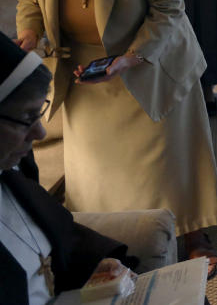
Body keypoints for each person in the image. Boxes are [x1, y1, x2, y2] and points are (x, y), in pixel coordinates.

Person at [1, 0, 217, 279]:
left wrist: (131, 57)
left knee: (171, 158)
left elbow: (169, 7)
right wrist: (30, 32)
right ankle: (109, 239)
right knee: (96, 171)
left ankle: (192, 232)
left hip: (150, 57)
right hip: (82, 71)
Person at [0, 34, 138, 304]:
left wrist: (95, 263)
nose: (40, 132)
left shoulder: (18, 166)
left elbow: (54, 229)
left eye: (39, 113)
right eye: (26, 118)